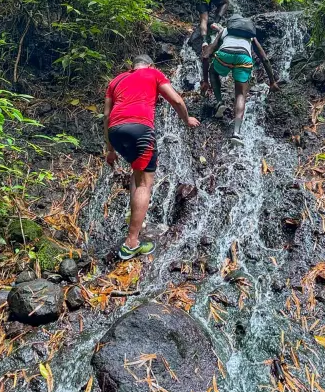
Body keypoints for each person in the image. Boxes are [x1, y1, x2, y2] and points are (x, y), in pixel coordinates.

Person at [104, 54, 200, 259]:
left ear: (133, 66)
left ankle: (134, 220)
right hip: (140, 128)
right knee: (145, 184)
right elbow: (175, 99)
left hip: (115, 129)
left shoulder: (116, 80)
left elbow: (106, 114)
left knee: (136, 174)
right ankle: (131, 243)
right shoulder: (153, 73)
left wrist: (110, 149)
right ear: (150, 65)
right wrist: (186, 119)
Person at [203, 14, 277, 143]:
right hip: (244, 58)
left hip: (225, 55)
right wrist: (272, 82)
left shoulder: (225, 30)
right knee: (240, 95)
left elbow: (208, 54)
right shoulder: (250, 36)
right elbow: (264, 58)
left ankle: (220, 101)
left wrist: (205, 81)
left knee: (213, 72)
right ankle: (236, 132)